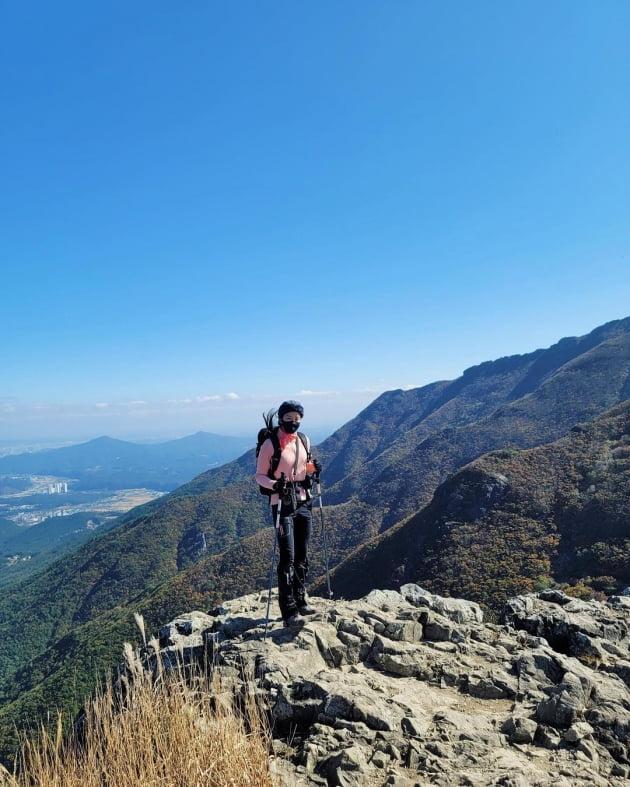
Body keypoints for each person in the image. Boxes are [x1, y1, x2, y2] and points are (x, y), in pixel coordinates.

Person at [255, 400, 322, 627]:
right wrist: (275, 485)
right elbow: (260, 475)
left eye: (297, 419)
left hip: (304, 502)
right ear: (281, 418)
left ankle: (301, 599)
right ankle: (289, 611)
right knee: (288, 557)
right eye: (289, 419)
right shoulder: (270, 445)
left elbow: (304, 466)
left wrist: (313, 469)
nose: (293, 423)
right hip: (282, 505)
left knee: (302, 554)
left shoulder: (303, 440)